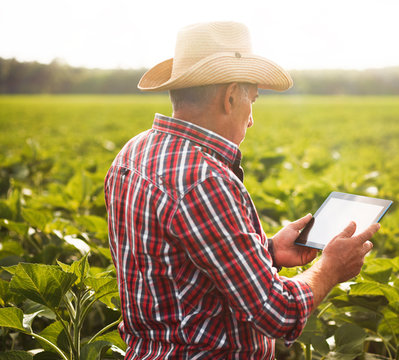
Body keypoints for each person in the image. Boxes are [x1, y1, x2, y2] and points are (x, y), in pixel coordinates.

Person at [104, 21, 379, 359]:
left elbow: (179, 265)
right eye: (254, 99)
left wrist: (268, 250)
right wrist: (330, 267)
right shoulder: (204, 181)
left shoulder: (133, 152)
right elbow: (279, 314)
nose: (251, 119)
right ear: (231, 95)